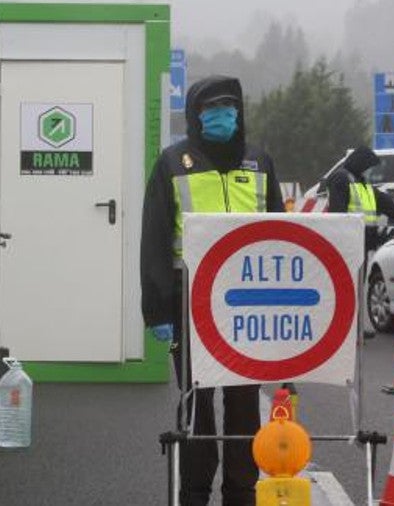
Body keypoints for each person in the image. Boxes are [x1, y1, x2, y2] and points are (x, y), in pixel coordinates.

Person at [140, 75, 284, 506]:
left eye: (228, 108)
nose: (221, 116)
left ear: (240, 112)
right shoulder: (172, 162)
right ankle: (195, 494)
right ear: (195, 115)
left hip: (246, 306)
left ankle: (241, 495)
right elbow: (156, 238)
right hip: (190, 302)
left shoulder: (259, 161)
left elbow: (282, 234)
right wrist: (158, 310)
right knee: (197, 409)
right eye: (211, 110)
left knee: (244, 410)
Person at [325, 145, 394, 249]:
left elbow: (386, 204)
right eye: (368, 167)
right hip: (349, 242)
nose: (369, 171)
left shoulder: (362, 183)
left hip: (364, 240)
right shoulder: (341, 178)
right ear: (360, 163)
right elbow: (338, 215)